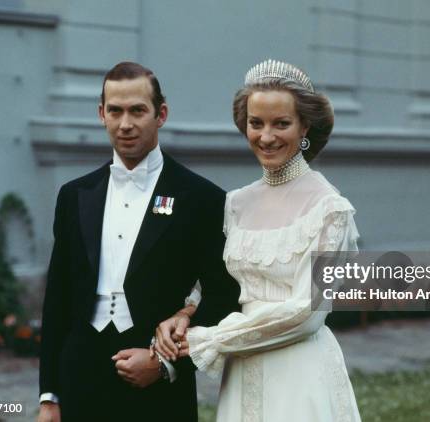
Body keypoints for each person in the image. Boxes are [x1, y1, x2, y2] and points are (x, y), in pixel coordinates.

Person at [156, 59, 362, 421]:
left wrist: (210, 340)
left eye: (281, 123)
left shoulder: (331, 210)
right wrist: (187, 311)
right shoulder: (235, 203)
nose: (266, 137)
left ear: (304, 128)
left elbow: (307, 312)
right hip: (243, 371)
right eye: (256, 123)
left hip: (300, 374)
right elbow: (221, 280)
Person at [38, 61, 240, 422]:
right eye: (115, 111)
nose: (125, 124)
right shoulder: (74, 195)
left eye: (137, 111)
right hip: (80, 377)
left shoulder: (202, 198)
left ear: (160, 114)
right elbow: (57, 299)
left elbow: (224, 295)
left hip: (157, 386)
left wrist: (166, 364)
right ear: (101, 114)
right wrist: (50, 396)